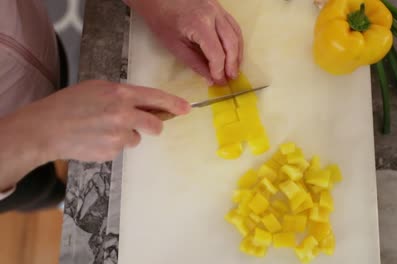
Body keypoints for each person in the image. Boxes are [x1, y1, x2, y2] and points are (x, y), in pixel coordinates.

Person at [0, 0, 243, 211]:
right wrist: (34, 135)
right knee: (39, 190)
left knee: (57, 66)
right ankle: (59, 199)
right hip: (10, 165)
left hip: (36, 46)